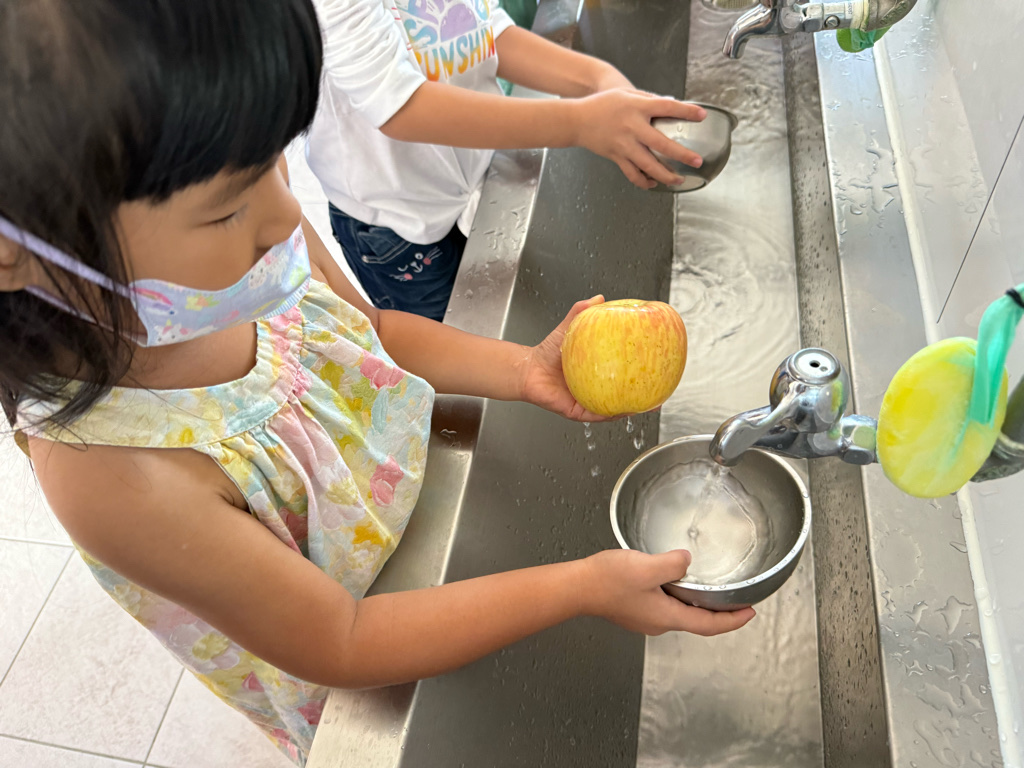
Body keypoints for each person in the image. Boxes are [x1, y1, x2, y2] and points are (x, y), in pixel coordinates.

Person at [0, 2, 754, 765]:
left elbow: (373, 334)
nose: (286, 216)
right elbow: (343, 641)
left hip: (424, 539)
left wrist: (523, 370)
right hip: (373, 656)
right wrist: (583, 587)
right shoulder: (109, 474)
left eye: (277, 161)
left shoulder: (248, 259)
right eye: (226, 208)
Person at [308, 0, 707, 320]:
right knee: (454, 366)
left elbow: (481, 28)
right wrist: (580, 123)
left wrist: (597, 79)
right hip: (393, 224)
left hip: (469, 176)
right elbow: (399, 106)